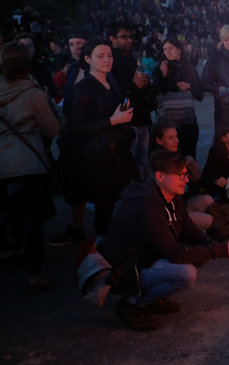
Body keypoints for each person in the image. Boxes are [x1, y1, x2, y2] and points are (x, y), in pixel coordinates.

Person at [100, 150, 229, 331]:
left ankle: (153, 298)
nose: (186, 180)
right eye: (180, 175)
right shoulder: (147, 205)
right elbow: (174, 253)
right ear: (160, 176)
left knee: (201, 254)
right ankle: (132, 304)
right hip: (126, 269)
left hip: (147, 256)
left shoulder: (172, 198)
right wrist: (221, 250)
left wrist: (217, 247)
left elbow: (190, 231)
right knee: (186, 273)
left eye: (185, 174)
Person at [0, 42, 60, 294]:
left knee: (9, 217)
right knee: (33, 222)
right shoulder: (34, 93)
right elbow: (52, 129)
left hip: (2, 165)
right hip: (29, 163)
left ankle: (13, 258)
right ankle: (34, 276)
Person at [63, 37, 137, 237]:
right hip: (97, 159)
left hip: (116, 155)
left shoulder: (110, 83)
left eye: (109, 55)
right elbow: (76, 127)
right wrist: (112, 121)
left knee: (114, 204)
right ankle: (103, 254)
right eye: (100, 56)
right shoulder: (83, 89)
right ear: (88, 59)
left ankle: (111, 248)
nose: (107, 60)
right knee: (104, 207)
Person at [108, 21, 151, 178]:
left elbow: (136, 91)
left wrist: (145, 83)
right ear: (112, 39)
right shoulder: (110, 63)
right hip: (127, 122)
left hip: (141, 118)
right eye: (123, 37)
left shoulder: (132, 60)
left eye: (130, 37)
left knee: (143, 166)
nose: (129, 40)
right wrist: (133, 86)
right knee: (130, 167)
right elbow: (120, 97)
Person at [151, 123, 213, 231]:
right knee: (208, 220)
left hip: (181, 204)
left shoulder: (177, 156)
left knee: (208, 200)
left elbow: (197, 178)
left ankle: (187, 231)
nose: (176, 141)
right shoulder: (159, 165)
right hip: (168, 211)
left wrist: (191, 162)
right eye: (171, 138)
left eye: (176, 136)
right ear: (159, 141)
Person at [151, 37, 203, 159]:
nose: (167, 52)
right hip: (167, 126)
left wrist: (189, 86)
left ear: (179, 50)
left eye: (171, 48)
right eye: (165, 49)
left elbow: (200, 96)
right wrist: (163, 75)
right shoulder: (159, 70)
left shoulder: (189, 69)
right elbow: (153, 94)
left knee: (189, 158)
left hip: (189, 124)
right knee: (170, 160)